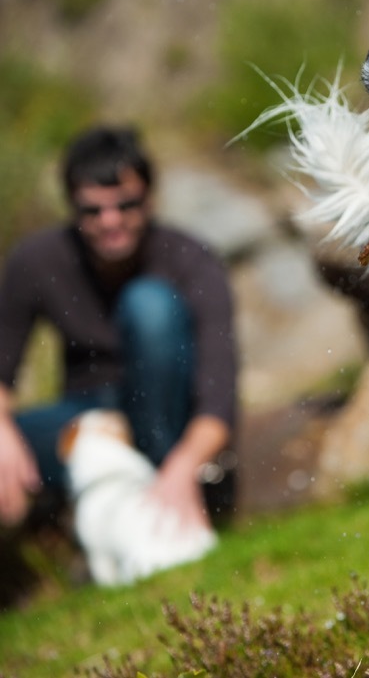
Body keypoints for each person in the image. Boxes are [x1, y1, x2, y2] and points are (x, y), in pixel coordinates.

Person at [0, 125, 238, 534]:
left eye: (126, 205)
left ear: (150, 199)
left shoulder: (193, 261)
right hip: (83, 422)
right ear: (71, 207)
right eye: (93, 210)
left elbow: (218, 405)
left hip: (169, 419)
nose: (111, 222)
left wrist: (181, 470)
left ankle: (160, 488)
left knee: (149, 304)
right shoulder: (35, 262)